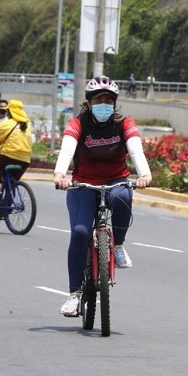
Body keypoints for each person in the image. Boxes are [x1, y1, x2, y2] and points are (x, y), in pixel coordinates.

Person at [53, 76, 152, 317]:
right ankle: (74, 294)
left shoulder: (124, 123)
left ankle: (117, 244)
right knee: (79, 232)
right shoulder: (79, 123)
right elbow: (67, 149)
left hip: (115, 180)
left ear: (115, 103)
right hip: (83, 185)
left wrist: (145, 173)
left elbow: (136, 149)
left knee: (123, 197)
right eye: (99, 99)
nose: (104, 104)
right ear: (89, 102)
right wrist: (59, 174)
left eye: (109, 100)